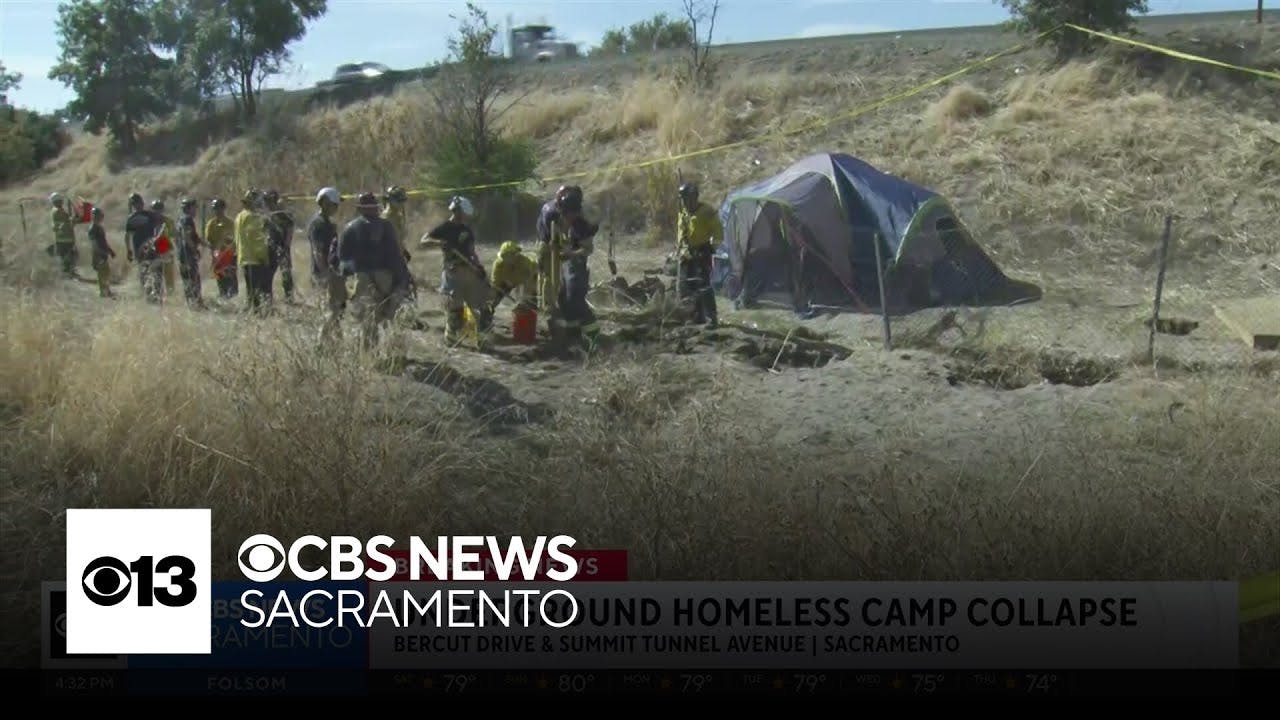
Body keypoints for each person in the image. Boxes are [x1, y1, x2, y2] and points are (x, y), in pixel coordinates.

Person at [337, 191, 411, 350]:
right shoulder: (386, 226)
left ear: (359, 209)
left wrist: (348, 278)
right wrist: (402, 278)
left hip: (363, 278)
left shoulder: (350, 228)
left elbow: (343, 258)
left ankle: (369, 353)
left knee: (367, 319)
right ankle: (387, 352)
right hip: (384, 277)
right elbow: (395, 255)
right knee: (387, 317)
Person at [420, 195, 493, 345]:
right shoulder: (445, 228)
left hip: (469, 270)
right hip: (452, 272)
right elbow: (424, 241)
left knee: (479, 306)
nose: (465, 217)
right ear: (457, 211)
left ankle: (481, 339)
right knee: (455, 308)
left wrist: (479, 267)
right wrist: (440, 243)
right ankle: (452, 337)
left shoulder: (467, 230)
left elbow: (471, 252)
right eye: (463, 214)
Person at [536, 184, 600, 351]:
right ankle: (570, 335)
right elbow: (547, 246)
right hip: (551, 248)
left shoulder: (583, 223)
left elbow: (587, 249)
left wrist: (571, 253)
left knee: (575, 293)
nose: (569, 218)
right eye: (566, 215)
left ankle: (593, 338)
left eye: (572, 215)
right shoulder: (549, 214)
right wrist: (553, 253)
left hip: (573, 253)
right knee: (557, 294)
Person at [675, 182, 721, 328]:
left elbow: (718, 231)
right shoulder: (683, 213)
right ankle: (694, 316)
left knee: (703, 285)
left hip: (703, 250)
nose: (685, 202)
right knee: (687, 285)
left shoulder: (706, 211)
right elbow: (681, 233)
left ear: (694, 197)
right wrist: (681, 250)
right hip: (687, 251)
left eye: (687, 199)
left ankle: (710, 318)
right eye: (683, 199)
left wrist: (712, 247)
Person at [309, 187, 347, 346]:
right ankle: (320, 342)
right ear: (324, 202)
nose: (336, 208)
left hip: (334, 271)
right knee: (332, 309)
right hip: (325, 272)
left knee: (338, 308)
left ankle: (338, 342)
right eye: (334, 204)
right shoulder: (318, 225)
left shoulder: (327, 223)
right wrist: (326, 274)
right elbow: (318, 251)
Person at [234, 189, 273, 314]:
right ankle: (258, 315)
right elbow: (257, 239)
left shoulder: (239, 216)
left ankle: (252, 313)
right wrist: (263, 257)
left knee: (250, 291)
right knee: (257, 292)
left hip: (244, 257)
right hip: (255, 259)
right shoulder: (252, 217)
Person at [124, 192, 165, 304]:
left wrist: (161, 247)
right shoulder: (131, 219)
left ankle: (158, 296)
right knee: (145, 274)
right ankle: (149, 297)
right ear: (133, 205)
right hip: (140, 250)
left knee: (157, 273)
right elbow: (127, 235)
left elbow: (160, 228)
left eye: (139, 203)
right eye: (135, 203)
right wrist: (128, 250)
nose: (138, 205)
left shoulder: (150, 215)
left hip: (153, 248)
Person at [382, 185, 416, 301]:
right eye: (398, 200)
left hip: (397, 255)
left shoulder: (397, 216)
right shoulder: (387, 217)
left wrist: (404, 251)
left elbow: (399, 238)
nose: (401, 203)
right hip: (390, 257)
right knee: (402, 285)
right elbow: (393, 239)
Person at [263, 189, 296, 303]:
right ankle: (268, 298)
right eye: (266, 201)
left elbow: (290, 228)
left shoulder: (282, 215)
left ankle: (289, 298)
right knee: (268, 274)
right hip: (270, 248)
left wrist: (286, 245)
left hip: (282, 247)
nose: (267, 204)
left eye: (269, 201)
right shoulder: (266, 216)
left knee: (286, 274)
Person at [489, 240, 538, 312]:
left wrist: (525, 295)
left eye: (513, 254)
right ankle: (489, 311)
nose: (512, 257)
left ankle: (531, 307)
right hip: (508, 282)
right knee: (495, 296)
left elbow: (532, 274)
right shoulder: (498, 266)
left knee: (530, 298)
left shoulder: (523, 261)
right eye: (509, 255)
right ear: (503, 255)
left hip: (526, 279)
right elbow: (495, 284)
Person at [177, 197, 209, 309]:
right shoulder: (187, 220)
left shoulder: (180, 219)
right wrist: (195, 250)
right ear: (189, 208)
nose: (196, 210)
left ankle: (192, 304)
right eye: (195, 208)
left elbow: (194, 237)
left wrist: (206, 244)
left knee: (188, 280)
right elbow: (187, 237)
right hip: (188, 255)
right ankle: (196, 304)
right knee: (193, 279)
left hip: (181, 255)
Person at [205, 198, 238, 298]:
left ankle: (232, 295)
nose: (217, 211)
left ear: (224, 209)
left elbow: (234, 239)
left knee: (231, 276)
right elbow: (209, 239)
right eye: (215, 209)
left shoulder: (230, 223)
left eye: (219, 208)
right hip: (217, 254)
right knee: (220, 277)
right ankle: (223, 295)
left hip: (229, 254)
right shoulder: (211, 224)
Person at [49, 192, 81, 278]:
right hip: (65, 238)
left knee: (67, 256)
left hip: (62, 238)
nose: (61, 202)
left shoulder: (56, 211)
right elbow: (69, 222)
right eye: (60, 201)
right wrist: (75, 217)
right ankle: (68, 273)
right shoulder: (58, 211)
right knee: (70, 256)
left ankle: (69, 272)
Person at [87, 206, 117, 299]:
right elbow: (94, 243)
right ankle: (103, 292)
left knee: (106, 272)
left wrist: (110, 251)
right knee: (102, 273)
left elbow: (104, 241)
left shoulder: (99, 228)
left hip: (103, 253)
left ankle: (106, 290)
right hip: (98, 254)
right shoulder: (93, 229)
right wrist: (101, 253)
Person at [152, 200, 178, 296]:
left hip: (166, 248)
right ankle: (157, 293)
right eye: (155, 209)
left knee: (168, 274)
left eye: (159, 209)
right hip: (154, 250)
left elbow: (174, 234)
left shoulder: (168, 221)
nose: (157, 211)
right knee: (156, 273)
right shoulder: (150, 221)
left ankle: (171, 293)